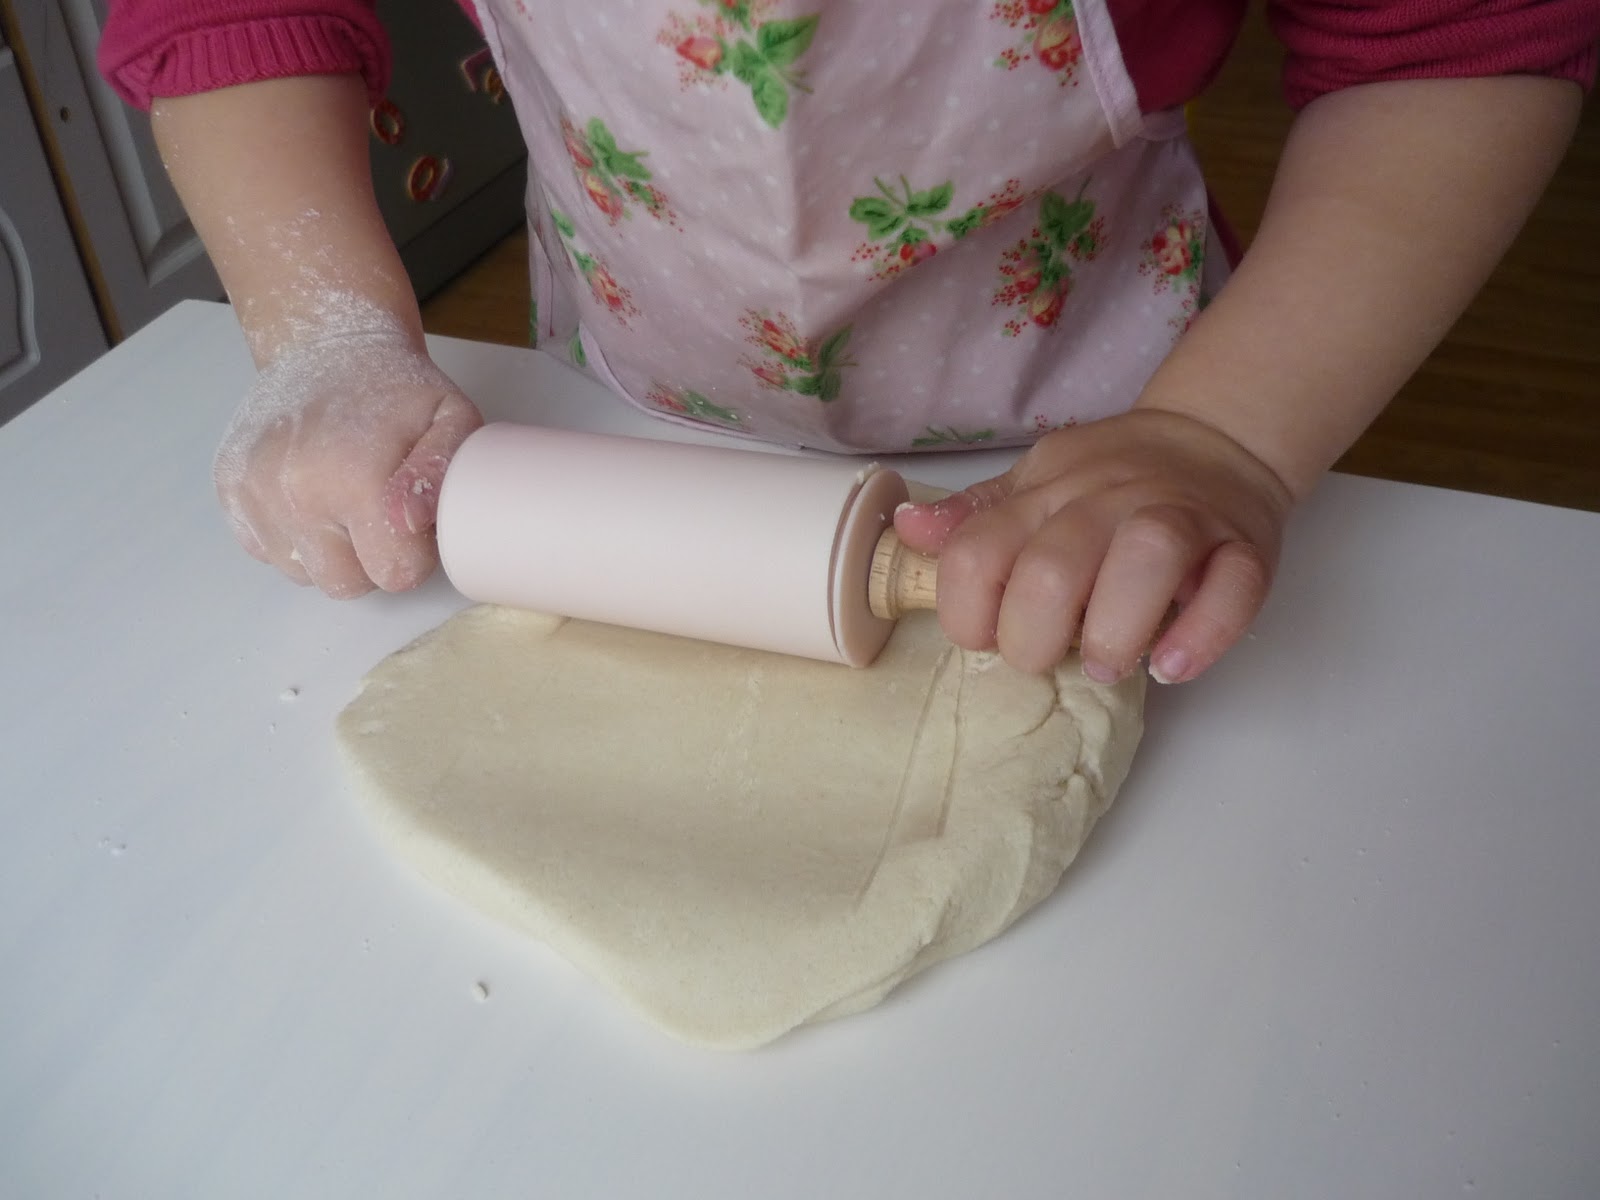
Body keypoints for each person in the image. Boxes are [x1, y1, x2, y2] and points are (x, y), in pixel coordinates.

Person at [100, 0, 1596, 684]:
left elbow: (1450, 39)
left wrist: (1221, 439)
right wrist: (321, 329)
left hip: (1115, 442)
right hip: (635, 407)